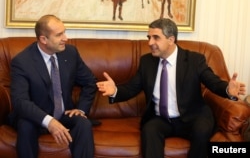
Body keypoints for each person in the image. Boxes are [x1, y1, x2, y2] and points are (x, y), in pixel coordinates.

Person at [96, 18, 246, 158]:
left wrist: (227, 89)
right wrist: (115, 90)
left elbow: (212, 82)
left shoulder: (194, 60)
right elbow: (131, 88)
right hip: (161, 119)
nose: (150, 42)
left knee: (201, 131)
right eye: (149, 37)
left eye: (156, 37)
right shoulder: (147, 62)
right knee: (149, 131)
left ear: (171, 39)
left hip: (193, 117)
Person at [9, 14, 97, 158]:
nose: (66, 38)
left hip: (64, 114)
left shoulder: (70, 53)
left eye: (64, 32)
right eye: (59, 35)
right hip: (36, 117)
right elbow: (20, 101)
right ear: (43, 39)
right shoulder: (22, 62)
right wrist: (49, 121)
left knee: (83, 123)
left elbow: (90, 82)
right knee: (25, 125)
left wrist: (81, 109)